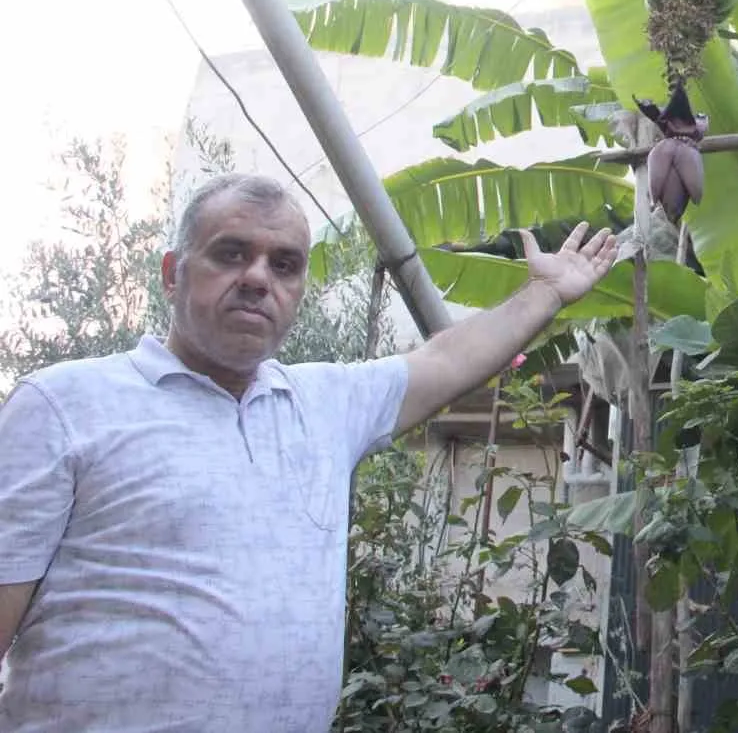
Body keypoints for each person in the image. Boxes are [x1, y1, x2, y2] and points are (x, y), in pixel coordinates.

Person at [0, 173, 618, 732]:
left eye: (285, 265)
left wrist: (546, 294)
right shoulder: (63, 406)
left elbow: (445, 359)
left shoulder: (324, 404)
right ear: (172, 272)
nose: (258, 278)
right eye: (231, 253)